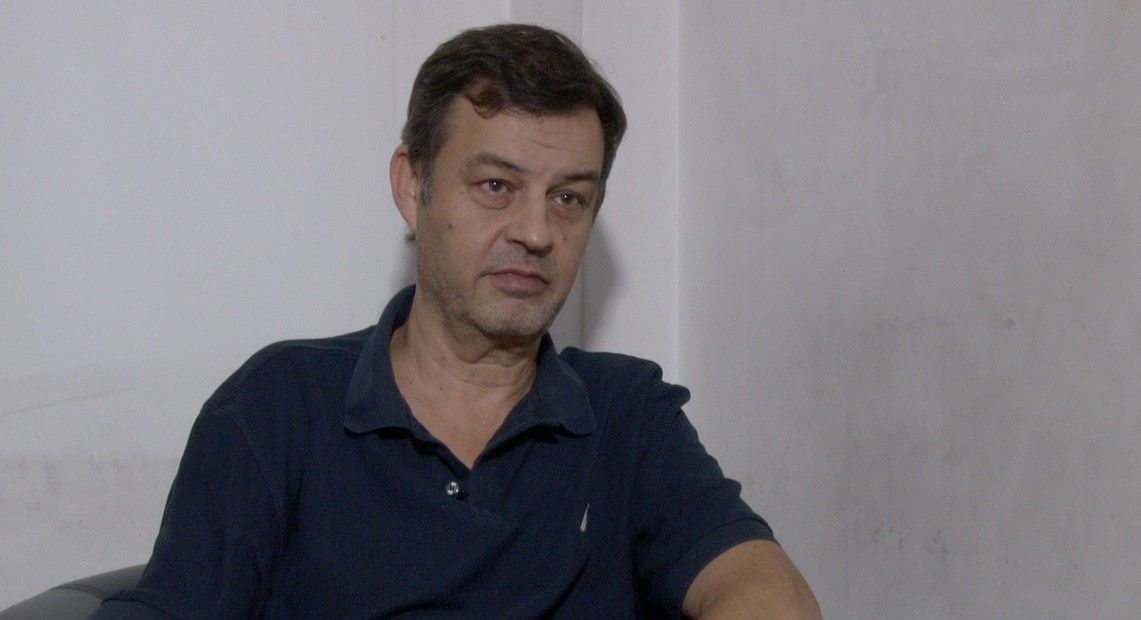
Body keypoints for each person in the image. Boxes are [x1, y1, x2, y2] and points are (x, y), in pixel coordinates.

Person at [93, 23, 819, 618]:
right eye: (496, 186)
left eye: (568, 198)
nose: (536, 232)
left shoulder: (627, 415)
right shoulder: (278, 407)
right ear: (413, 186)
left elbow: (770, 596)